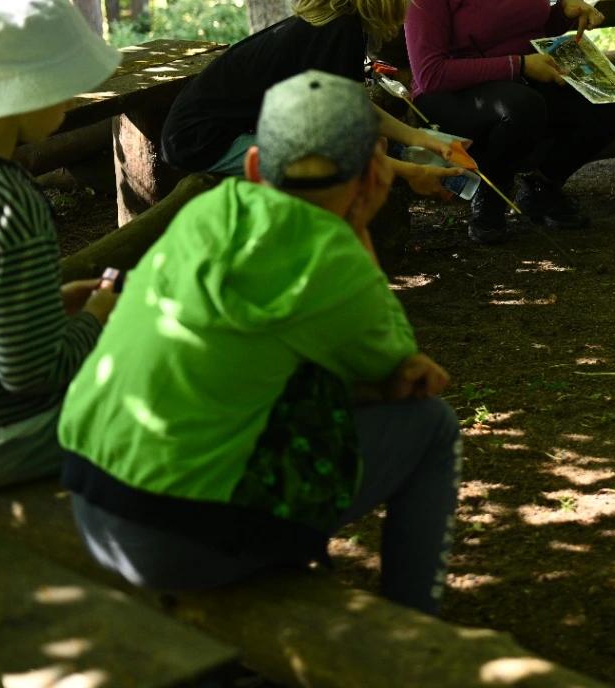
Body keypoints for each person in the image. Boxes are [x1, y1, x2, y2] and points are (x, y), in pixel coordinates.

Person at [60, 71, 460, 615]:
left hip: (89, 502)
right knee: (431, 425)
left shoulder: (208, 211)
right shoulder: (336, 259)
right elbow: (404, 374)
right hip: (172, 541)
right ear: (373, 176)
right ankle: (416, 621)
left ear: (253, 166)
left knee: (294, 382)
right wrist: (359, 226)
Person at [0, 0, 121, 488]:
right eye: (64, 84)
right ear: (23, 90)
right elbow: (33, 375)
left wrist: (48, 307)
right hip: (13, 438)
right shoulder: (9, 202)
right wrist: (97, 318)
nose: (73, 100)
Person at [161, 0, 467, 198]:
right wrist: (413, 172)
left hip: (208, 130)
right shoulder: (337, 32)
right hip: (205, 141)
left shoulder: (337, 23)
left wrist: (420, 138)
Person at [405, 0, 615, 243]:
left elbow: (536, 22)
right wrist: (520, 65)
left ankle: (542, 188)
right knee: (522, 107)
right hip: (455, 93)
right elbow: (430, 74)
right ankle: (489, 197)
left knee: (607, 107)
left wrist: (566, 9)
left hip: (526, 75)